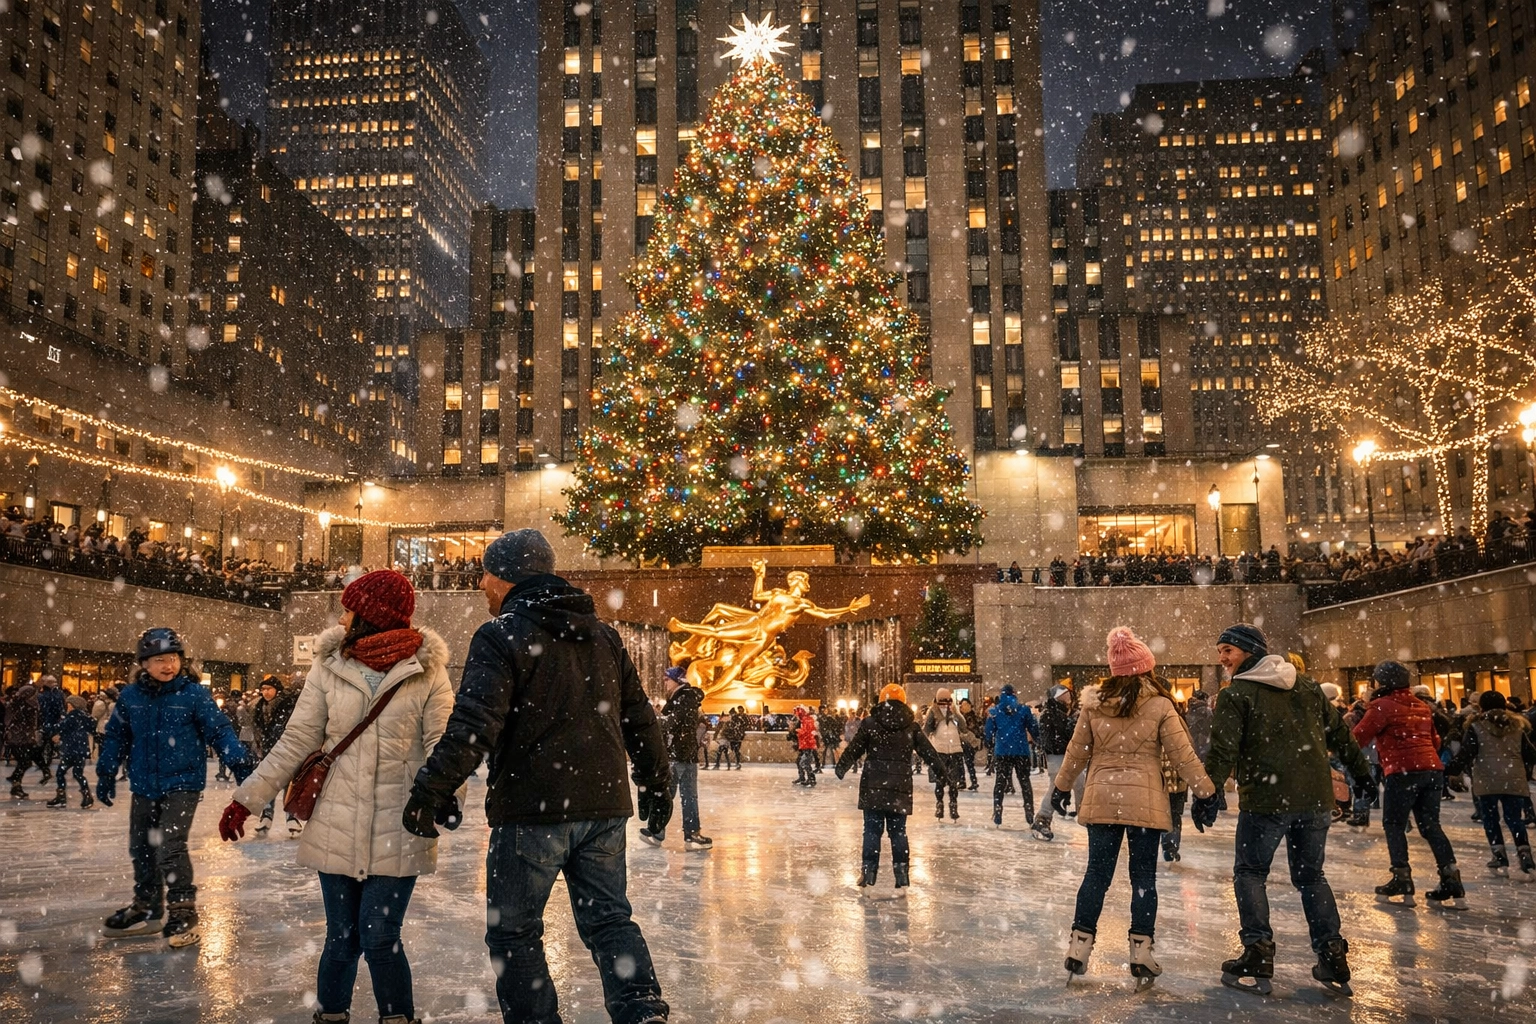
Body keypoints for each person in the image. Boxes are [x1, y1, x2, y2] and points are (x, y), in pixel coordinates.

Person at [402, 529, 672, 1024]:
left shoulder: (500, 634)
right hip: (603, 806)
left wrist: (431, 790)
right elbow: (638, 718)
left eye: (485, 572)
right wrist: (658, 782)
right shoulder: (604, 636)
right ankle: (641, 1011)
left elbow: (474, 724)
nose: (481, 582)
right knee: (610, 920)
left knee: (514, 933)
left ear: (506, 577)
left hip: (532, 808)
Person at [221, 570, 454, 1024]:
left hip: (399, 823)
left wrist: (445, 796)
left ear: (370, 615)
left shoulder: (427, 671)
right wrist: (247, 799)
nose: (342, 617)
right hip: (336, 821)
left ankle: (397, 1019)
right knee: (342, 938)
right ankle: (331, 1017)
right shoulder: (328, 667)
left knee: (380, 936)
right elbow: (297, 740)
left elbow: (442, 746)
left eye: (350, 608)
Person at [1202, 623, 1375, 997]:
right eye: (1220, 652)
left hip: (1265, 800)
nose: (1222, 658)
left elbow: (1222, 751)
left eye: (1227, 650)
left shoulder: (1238, 695)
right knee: (1311, 876)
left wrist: (1208, 792)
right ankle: (1331, 951)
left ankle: (1258, 951)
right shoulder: (1308, 687)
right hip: (1313, 800)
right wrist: (1361, 775)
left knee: (1250, 872)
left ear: (1249, 651)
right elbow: (1340, 736)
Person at [1052, 628, 1218, 989]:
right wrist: (1206, 792)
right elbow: (1183, 754)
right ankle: (1140, 953)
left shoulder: (1094, 704)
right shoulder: (1160, 704)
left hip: (1102, 799)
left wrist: (1060, 788)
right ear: (1146, 669)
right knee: (1143, 878)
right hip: (1145, 801)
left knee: (1096, 874)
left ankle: (1079, 947)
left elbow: (1076, 750)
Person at [97, 628, 253, 948]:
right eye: (159, 660)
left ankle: (182, 911)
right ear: (143, 663)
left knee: (170, 845)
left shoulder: (193, 694)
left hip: (183, 782)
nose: (168, 666)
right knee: (141, 846)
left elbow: (219, 730)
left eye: (173, 658)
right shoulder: (130, 697)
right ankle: (148, 907)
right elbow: (116, 737)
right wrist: (105, 772)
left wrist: (239, 763)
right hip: (144, 783)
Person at [1351, 661, 1464, 909]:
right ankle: (1451, 877)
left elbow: (1358, 737)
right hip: (1431, 770)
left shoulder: (1381, 706)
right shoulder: (1421, 705)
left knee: (1393, 823)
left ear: (1381, 683)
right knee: (1431, 825)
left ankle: (1401, 876)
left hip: (1402, 771)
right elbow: (1434, 740)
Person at [834, 683, 940, 888]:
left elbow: (855, 748)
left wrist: (841, 768)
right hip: (899, 785)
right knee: (898, 832)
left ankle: (868, 873)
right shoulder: (911, 726)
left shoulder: (870, 723)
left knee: (872, 831)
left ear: (882, 700)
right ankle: (901, 875)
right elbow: (928, 752)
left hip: (873, 784)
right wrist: (943, 773)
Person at [1447, 689, 1536, 881]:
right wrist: (1524, 769)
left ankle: (1499, 855)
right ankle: (1525, 856)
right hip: (1513, 776)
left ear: (1482, 706)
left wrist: (1451, 770)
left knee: (1490, 818)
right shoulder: (1517, 726)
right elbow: (1530, 753)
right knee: (1514, 818)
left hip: (1487, 777)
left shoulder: (1476, 726)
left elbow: (1467, 752)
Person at [644, 665, 711, 851]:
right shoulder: (680, 697)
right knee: (679, 795)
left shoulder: (685, 697)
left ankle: (662, 832)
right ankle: (687, 833)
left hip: (680, 754)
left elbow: (670, 722)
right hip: (680, 753)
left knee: (672, 794)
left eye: (668, 678)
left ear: (678, 680)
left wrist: (652, 716)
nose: (664, 682)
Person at [984, 684, 1042, 832]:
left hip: (1003, 751)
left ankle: (998, 810)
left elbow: (989, 732)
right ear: (1015, 694)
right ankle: (1029, 811)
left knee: (1000, 782)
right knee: (1024, 782)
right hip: (1021, 751)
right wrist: (1039, 740)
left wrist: (989, 742)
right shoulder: (1023, 710)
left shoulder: (995, 711)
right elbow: (1033, 728)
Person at [251, 675, 302, 836]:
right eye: (263, 689)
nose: (265, 692)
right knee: (268, 784)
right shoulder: (259, 707)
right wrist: (259, 745)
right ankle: (266, 815)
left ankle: (291, 817)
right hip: (267, 751)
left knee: (289, 785)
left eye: (268, 689)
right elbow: (257, 728)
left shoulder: (287, 705)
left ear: (276, 690)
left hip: (286, 751)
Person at [922, 688, 973, 822]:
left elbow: (963, 727)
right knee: (940, 782)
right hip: (940, 750)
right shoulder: (933, 712)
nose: (946, 704)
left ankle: (953, 805)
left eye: (948, 701)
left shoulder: (954, 713)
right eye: (943, 702)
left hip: (955, 749)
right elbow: (926, 730)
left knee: (953, 782)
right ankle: (940, 804)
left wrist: (956, 711)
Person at [47, 694, 95, 809]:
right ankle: (87, 795)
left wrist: (53, 730)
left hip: (71, 750)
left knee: (60, 772)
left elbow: (61, 727)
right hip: (80, 750)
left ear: (72, 705)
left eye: (68, 704)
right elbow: (77, 729)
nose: (67, 707)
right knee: (78, 774)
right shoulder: (84, 716)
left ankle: (61, 797)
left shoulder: (72, 716)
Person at [5, 678, 44, 799]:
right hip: (19, 739)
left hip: (22, 738)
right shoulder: (24, 706)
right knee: (24, 762)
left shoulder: (24, 705)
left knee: (25, 762)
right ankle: (16, 784)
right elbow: (16, 722)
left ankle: (15, 783)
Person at [35, 675, 65, 782]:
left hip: (45, 722)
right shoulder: (58, 695)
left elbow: (41, 710)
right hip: (53, 722)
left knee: (42, 743)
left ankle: (43, 762)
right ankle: (48, 759)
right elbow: (60, 709)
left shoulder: (41, 696)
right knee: (50, 742)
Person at [791, 705, 819, 786]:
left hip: (807, 745)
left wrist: (798, 731)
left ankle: (810, 779)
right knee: (803, 762)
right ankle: (808, 778)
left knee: (804, 762)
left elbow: (807, 732)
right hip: (806, 744)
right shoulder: (805, 720)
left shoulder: (806, 720)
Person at [958, 697, 982, 789]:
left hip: (968, 742)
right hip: (966, 742)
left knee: (966, 762)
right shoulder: (963, 716)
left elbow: (973, 730)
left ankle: (965, 781)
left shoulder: (970, 717)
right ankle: (969, 781)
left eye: (964, 705)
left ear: (969, 705)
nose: (962, 707)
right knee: (966, 762)